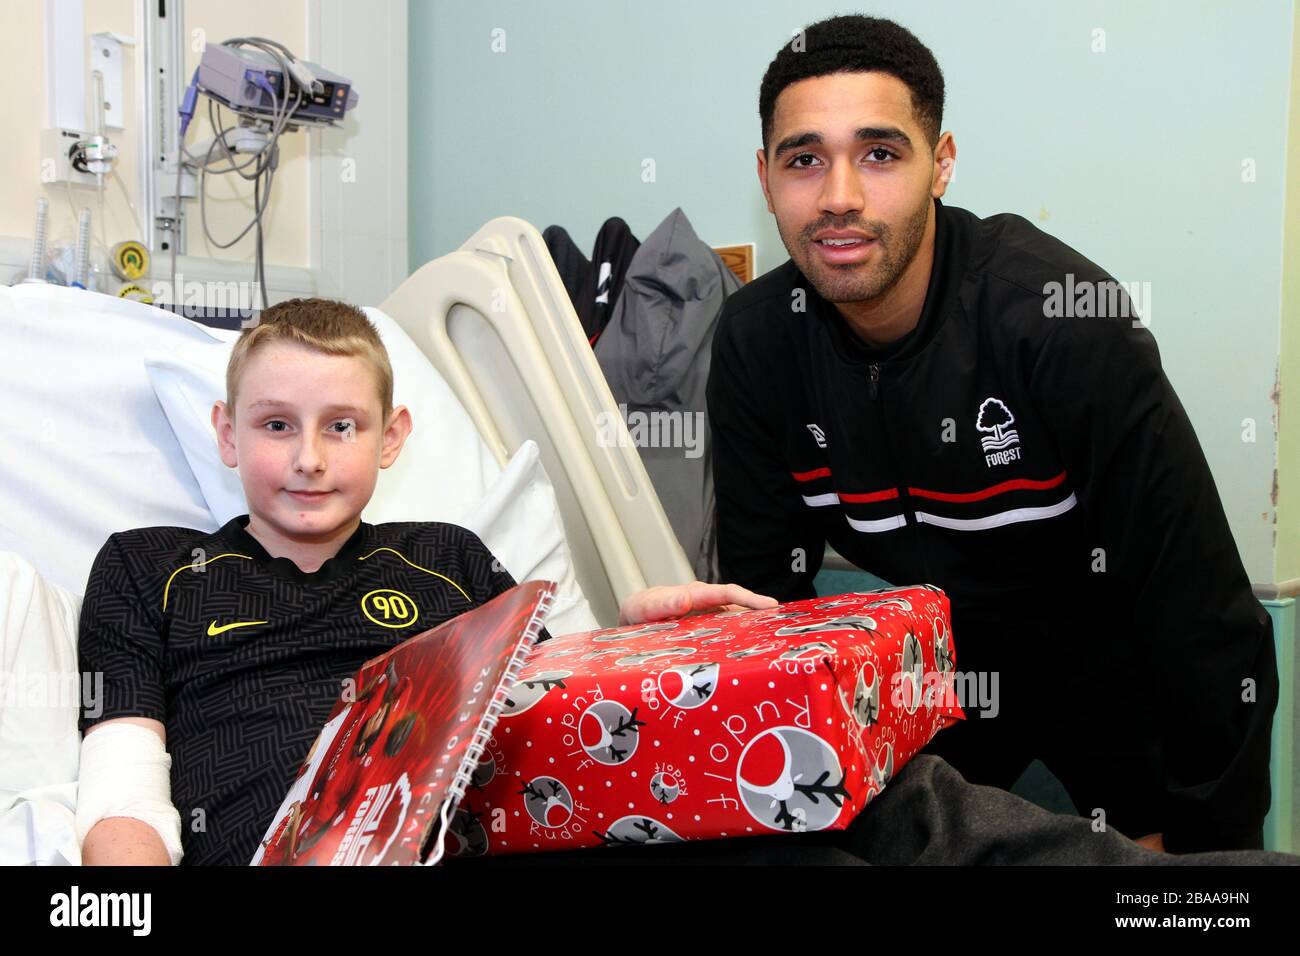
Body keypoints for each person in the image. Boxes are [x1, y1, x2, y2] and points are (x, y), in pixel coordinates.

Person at [707, 14, 1279, 854]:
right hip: (934, 673)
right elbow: (770, 610)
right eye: (804, 159)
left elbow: (1200, 609)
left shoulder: (1058, 319)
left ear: (940, 165)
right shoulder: (758, 341)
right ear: (765, 178)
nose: (838, 195)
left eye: (879, 153)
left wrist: (1198, 845)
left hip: (1114, 667)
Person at [75, 297, 773, 866]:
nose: (309, 459)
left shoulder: (448, 560)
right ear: (228, 435)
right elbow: (123, 795)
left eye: (342, 426)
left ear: (391, 438)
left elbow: (557, 719)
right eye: (277, 425)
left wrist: (640, 647)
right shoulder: (149, 570)